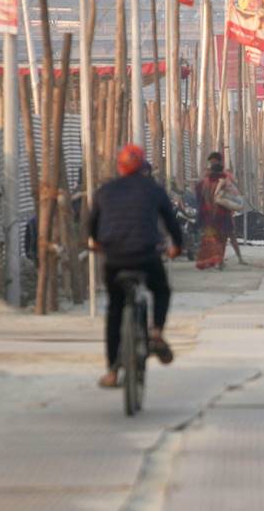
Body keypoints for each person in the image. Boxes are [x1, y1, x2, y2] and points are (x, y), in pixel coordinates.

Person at [88, 145, 182, 388]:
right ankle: (157, 332)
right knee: (161, 290)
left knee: (115, 310)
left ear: (119, 167)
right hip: (147, 257)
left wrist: (97, 243)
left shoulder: (105, 191)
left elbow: (90, 224)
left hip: (115, 259)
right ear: (143, 167)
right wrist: (177, 247)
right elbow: (172, 223)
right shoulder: (153, 190)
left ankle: (111, 372)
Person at [195, 152, 245, 269]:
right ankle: (221, 261)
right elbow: (234, 193)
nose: (212, 163)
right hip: (222, 213)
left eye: (214, 162)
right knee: (224, 238)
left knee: (216, 238)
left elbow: (199, 194)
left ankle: (217, 261)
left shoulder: (206, 180)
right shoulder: (225, 178)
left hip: (210, 214)